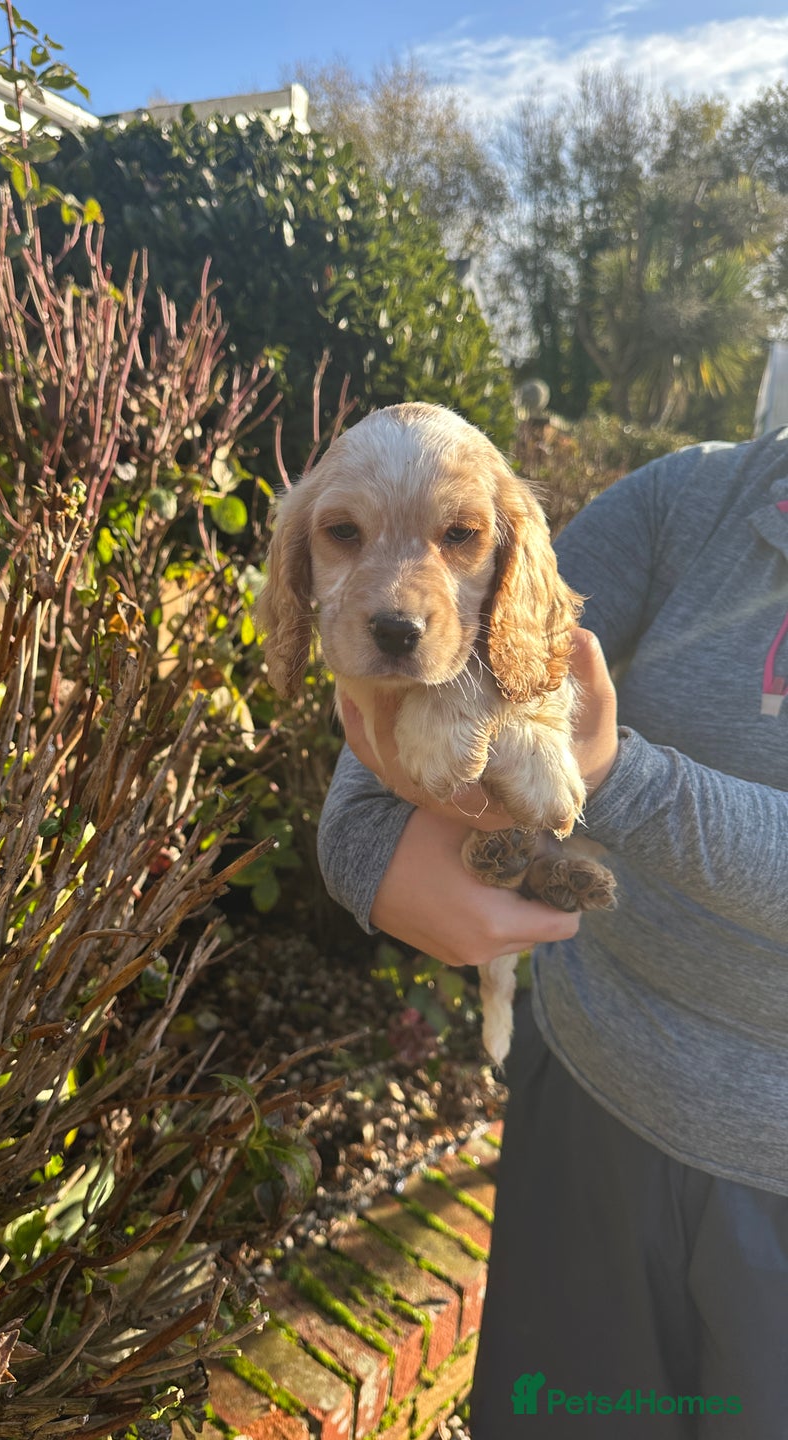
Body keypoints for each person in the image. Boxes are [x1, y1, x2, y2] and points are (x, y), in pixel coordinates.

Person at [314, 428, 788, 1437]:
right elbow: (489, 635)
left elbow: (579, 751)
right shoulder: (691, 499)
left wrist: (619, 779)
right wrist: (366, 836)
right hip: (587, 1098)